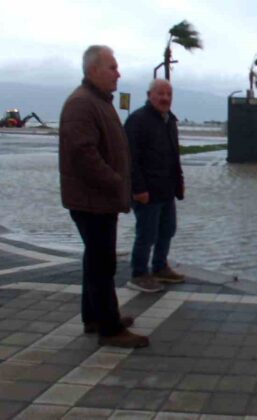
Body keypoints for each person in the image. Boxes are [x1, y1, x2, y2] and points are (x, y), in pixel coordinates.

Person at [59, 45, 148, 348]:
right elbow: (83, 154)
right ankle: (109, 329)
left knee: (95, 260)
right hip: (91, 199)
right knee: (102, 264)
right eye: (112, 67)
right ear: (93, 70)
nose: (118, 73)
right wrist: (115, 181)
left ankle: (95, 316)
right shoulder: (82, 104)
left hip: (98, 198)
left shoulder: (98, 101)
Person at [124, 78, 185, 293]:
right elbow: (130, 158)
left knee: (167, 230)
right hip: (146, 191)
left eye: (169, 94)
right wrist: (138, 189)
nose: (165, 98)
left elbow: (173, 157)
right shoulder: (137, 120)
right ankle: (139, 273)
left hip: (166, 190)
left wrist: (179, 185)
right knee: (146, 234)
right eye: (160, 94)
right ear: (150, 95)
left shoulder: (169, 121)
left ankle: (160, 266)